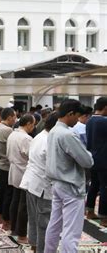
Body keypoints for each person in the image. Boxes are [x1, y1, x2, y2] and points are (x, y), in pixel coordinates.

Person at [44, 99, 94, 253]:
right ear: (70, 114)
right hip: (70, 186)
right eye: (77, 116)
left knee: (54, 224)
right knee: (71, 232)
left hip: (57, 184)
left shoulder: (53, 131)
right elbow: (87, 161)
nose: (77, 120)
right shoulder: (67, 134)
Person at [19, 111, 58, 253]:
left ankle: (35, 246)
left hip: (32, 182)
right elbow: (53, 168)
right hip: (42, 185)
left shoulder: (38, 136)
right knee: (44, 222)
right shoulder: (49, 140)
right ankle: (41, 249)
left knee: (34, 218)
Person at [6, 114, 36, 244]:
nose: (33, 127)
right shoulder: (25, 138)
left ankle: (14, 228)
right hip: (23, 170)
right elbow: (32, 156)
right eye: (33, 125)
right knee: (23, 204)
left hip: (14, 169)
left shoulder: (13, 134)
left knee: (15, 200)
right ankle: (22, 234)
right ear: (28, 123)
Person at [0, 107, 17, 230]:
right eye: (14, 117)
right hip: (6, 166)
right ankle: (6, 220)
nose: (16, 119)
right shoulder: (7, 130)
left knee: (0, 192)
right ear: (9, 117)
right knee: (7, 194)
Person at [86, 97, 107, 225]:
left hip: (92, 158)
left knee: (94, 185)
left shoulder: (90, 121)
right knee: (105, 187)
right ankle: (104, 217)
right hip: (104, 160)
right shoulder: (104, 122)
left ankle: (90, 211)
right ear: (105, 107)